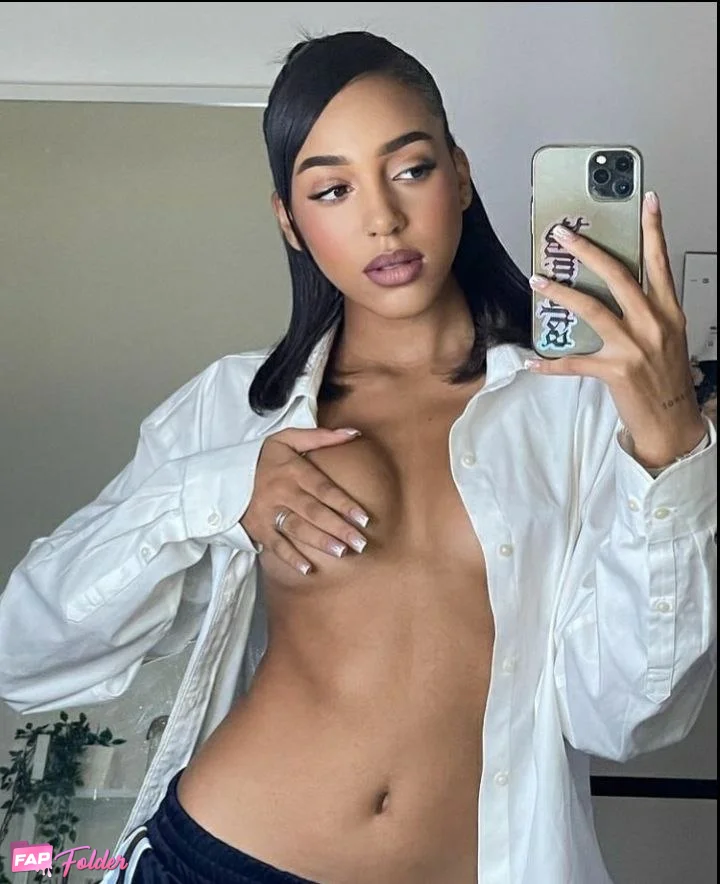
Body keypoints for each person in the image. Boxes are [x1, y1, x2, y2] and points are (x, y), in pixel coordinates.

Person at [0, 29, 716, 884]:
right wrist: (220, 493)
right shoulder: (236, 407)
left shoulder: (581, 409)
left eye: (410, 169)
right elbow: (27, 654)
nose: (382, 218)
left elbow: (629, 718)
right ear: (290, 223)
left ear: (460, 176)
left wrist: (670, 444)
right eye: (332, 189)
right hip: (227, 860)